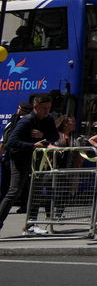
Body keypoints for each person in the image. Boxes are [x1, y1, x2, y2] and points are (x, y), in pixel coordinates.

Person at [0, 93, 57, 229]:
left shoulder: (48, 119)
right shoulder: (26, 121)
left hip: (36, 159)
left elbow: (54, 135)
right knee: (14, 191)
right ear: (35, 107)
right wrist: (32, 145)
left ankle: (31, 224)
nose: (47, 111)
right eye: (44, 108)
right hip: (19, 158)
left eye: (49, 108)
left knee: (35, 191)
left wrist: (43, 135)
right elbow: (10, 142)